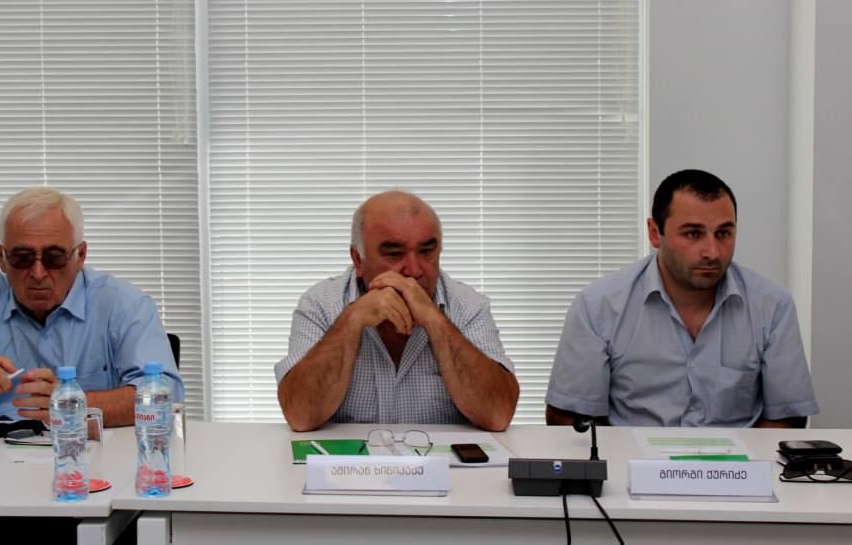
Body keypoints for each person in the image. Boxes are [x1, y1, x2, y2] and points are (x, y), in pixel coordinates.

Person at [545, 169, 818, 428]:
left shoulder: (772, 306)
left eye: (723, 233)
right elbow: (569, 416)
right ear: (655, 233)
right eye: (692, 234)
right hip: (630, 459)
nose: (712, 252)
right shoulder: (599, 306)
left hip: (739, 460)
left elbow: (788, 417)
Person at [0, 186, 183, 429]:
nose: (38, 273)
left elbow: (167, 397)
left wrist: (71, 403)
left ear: (80, 255)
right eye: (22, 258)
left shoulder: (124, 305)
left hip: (91, 455)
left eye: (54, 258)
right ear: (1, 257)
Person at [275, 190, 519, 432]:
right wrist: (352, 320)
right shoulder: (320, 304)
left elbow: (497, 415)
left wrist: (435, 320)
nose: (413, 270)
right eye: (394, 254)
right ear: (358, 259)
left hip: (437, 458)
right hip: (350, 458)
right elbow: (301, 416)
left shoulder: (468, 306)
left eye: (426, 252)